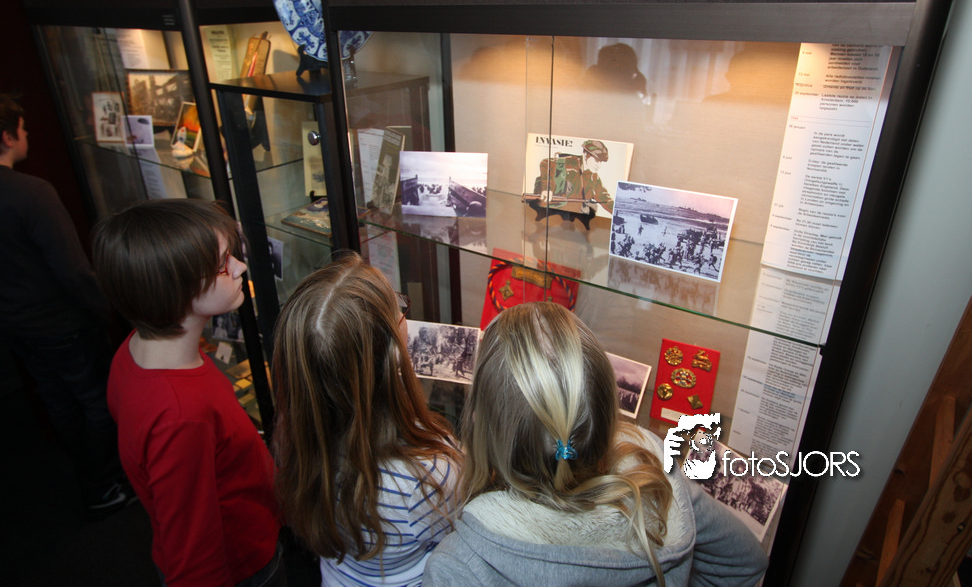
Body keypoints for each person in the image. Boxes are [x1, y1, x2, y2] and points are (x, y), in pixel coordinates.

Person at [424, 302, 768, 586]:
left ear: (478, 422)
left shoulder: (458, 566)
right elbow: (745, 564)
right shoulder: (660, 487)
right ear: (607, 423)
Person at [91, 199, 285, 587]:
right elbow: (194, 558)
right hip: (241, 560)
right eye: (223, 264)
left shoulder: (134, 351)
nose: (239, 267)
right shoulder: (182, 416)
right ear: (174, 287)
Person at [271, 252, 461, 586]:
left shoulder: (296, 438)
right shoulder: (425, 477)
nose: (404, 313)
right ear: (391, 353)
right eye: (399, 308)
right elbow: (458, 532)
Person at [0, 93, 131, 517]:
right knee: (96, 400)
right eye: (23, 129)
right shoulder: (32, 193)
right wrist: (103, 310)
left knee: (58, 399)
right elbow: (72, 268)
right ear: (8, 137)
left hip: (16, 324)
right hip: (61, 323)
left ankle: (91, 478)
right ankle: (105, 480)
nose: (27, 136)